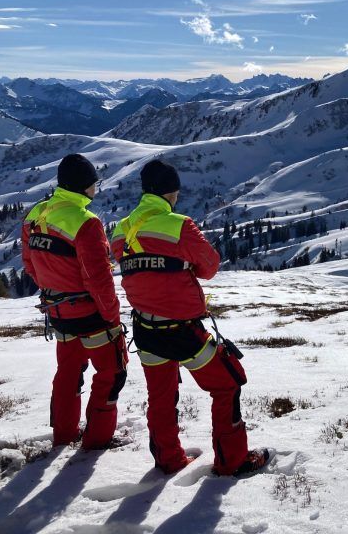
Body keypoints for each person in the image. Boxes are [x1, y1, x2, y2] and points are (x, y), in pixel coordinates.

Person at [111, 159, 268, 476]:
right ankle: (232, 460)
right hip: (182, 331)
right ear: (170, 192)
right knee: (227, 383)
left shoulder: (121, 230)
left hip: (144, 329)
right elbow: (209, 267)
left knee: (161, 396)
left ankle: (168, 459)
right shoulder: (179, 226)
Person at [22, 153, 128, 449]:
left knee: (69, 372)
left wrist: (52, 286)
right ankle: (98, 438)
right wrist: (112, 316)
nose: (96, 188)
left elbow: (29, 262)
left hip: (57, 312)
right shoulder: (86, 222)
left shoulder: (36, 215)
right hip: (91, 315)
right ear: (85, 186)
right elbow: (98, 278)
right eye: (95, 183)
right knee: (111, 372)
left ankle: (64, 434)